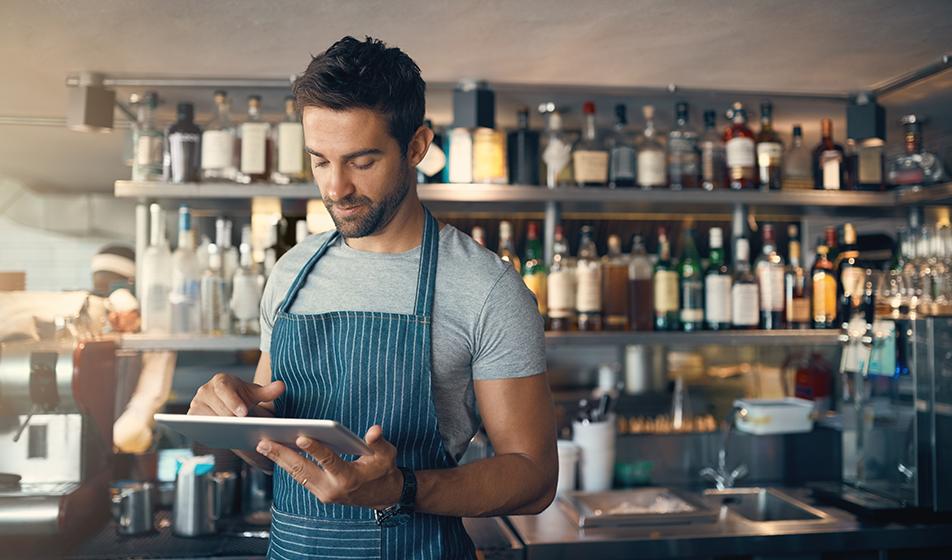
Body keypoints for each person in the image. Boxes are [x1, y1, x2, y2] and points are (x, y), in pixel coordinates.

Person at [187, 36, 557, 559]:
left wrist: (399, 489)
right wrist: (235, 423)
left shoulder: (486, 288)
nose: (336, 188)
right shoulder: (291, 272)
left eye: (361, 162)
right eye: (320, 161)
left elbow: (535, 477)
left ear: (416, 147)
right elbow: (275, 455)